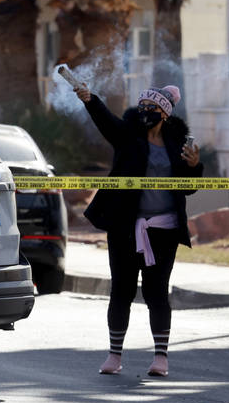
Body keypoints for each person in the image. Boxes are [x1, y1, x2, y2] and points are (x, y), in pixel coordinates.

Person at [75, 83, 203, 377]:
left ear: (165, 114)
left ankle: (161, 358)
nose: (146, 111)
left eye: (153, 108)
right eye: (143, 105)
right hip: (124, 228)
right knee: (121, 291)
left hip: (164, 230)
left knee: (157, 293)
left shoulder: (177, 144)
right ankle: (114, 355)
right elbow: (105, 120)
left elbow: (190, 187)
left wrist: (195, 166)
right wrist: (90, 99)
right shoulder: (127, 136)